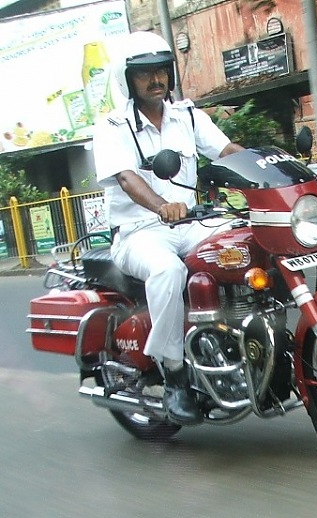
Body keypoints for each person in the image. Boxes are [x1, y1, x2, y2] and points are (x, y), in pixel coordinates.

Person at [93, 31, 245, 425]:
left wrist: (271, 167)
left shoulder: (187, 115)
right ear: (128, 79)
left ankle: (238, 333)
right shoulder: (112, 126)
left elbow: (226, 150)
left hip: (191, 222)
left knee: (246, 240)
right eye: (144, 73)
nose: (155, 79)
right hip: (138, 233)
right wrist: (163, 207)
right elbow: (127, 177)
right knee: (168, 270)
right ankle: (174, 371)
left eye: (161, 70)